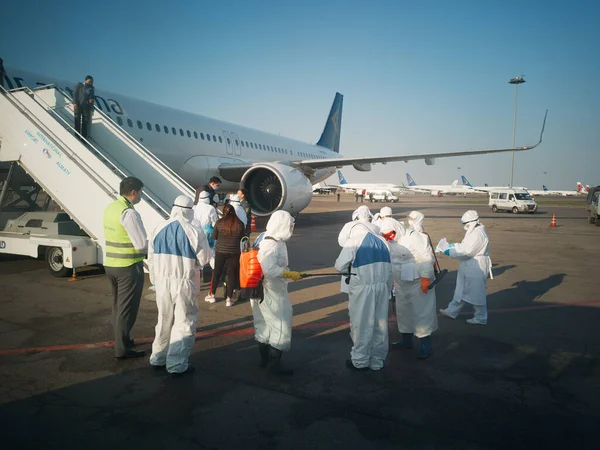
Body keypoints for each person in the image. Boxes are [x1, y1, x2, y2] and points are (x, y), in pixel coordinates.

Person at [148, 195, 211, 376]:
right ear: (189, 211)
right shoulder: (193, 231)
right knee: (184, 322)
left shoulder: (157, 228)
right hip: (184, 282)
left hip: (161, 282)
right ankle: (176, 365)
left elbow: (151, 259)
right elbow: (204, 259)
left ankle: (157, 357)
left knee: (163, 319)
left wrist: (155, 279)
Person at [335, 214, 393, 371]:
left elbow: (339, 266)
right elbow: (390, 270)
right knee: (380, 325)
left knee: (361, 324)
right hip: (382, 288)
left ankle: (360, 361)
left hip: (362, 289)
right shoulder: (382, 241)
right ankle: (377, 360)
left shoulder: (353, 241)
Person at [252, 210, 301, 376]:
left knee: (264, 324)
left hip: (262, 288)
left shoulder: (266, 238)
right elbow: (269, 269)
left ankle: (264, 361)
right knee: (280, 323)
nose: (291, 227)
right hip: (271, 289)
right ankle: (274, 365)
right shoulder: (271, 243)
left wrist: (287, 272)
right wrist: (288, 273)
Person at [103, 177, 147, 359]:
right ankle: (122, 349)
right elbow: (141, 245)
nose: (141, 196)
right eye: (141, 192)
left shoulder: (111, 208)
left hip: (111, 264)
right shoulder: (129, 213)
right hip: (128, 266)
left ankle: (124, 339)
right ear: (133, 192)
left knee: (118, 307)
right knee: (127, 308)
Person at [383, 212, 437, 359]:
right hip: (401, 283)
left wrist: (425, 278)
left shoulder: (414, 237)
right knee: (403, 312)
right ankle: (406, 340)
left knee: (421, 313)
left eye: (390, 235)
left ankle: (426, 344)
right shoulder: (390, 241)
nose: (388, 238)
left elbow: (426, 257)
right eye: (386, 236)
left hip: (417, 282)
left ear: (396, 229)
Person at [439, 210, 491, 325]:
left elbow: (467, 252)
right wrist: (454, 246)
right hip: (470, 265)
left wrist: (449, 251)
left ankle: (481, 317)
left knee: (476, 292)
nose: (464, 226)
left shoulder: (477, 234)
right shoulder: (474, 231)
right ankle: (452, 310)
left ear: (470, 223)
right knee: (462, 289)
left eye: (465, 224)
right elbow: (465, 246)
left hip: (476, 266)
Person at [204, 204, 246, 307]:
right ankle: (229, 299)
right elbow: (242, 238)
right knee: (231, 274)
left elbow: (214, 236)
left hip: (220, 251)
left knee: (217, 273)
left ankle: (212, 295)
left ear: (224, 212)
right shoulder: (239, 224)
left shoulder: (219, 223)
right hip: (234, 252)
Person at [73, 75, 95, 139]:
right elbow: (75, 93)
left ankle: (83, 138)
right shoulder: (79, 85)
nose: (91, 83)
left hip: (86, 106)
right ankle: (77, 135)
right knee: (77, 120)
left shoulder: (92, 88)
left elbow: (92, 97)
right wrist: (74, 103)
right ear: (85, 80)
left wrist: (91, 100)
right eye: (89, 82)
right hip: (78, 105)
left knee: (85, 122)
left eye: (92, 82)